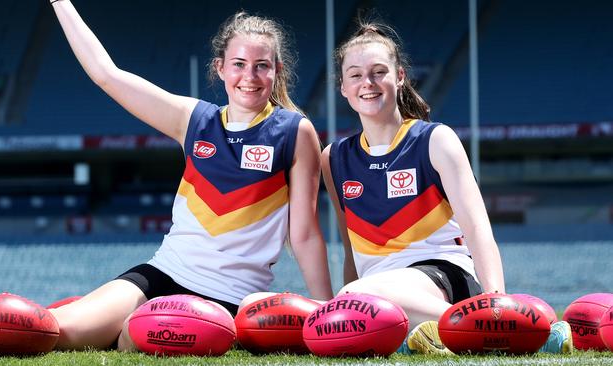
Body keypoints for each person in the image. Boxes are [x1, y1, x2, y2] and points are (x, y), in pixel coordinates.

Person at [47, 0, 333, 351]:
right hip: (162, 274)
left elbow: (304, 235)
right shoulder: (194, 119)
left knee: (131, 342)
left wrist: (326, 311)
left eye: (262, 66)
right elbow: (107, 74)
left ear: (277, 70)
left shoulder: (294, 131)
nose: (250, 77)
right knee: (56, 333)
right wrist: (59, 2)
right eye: (239, 65)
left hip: (229, 298)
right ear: (220, 68)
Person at [321, 20, 572, 355]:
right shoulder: (333, 158)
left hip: (443, 276)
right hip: (377, 291)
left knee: (353, 299)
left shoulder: (435, 139)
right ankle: (442, 333)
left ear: (400, 77)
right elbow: (351, 248)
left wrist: (494, 302)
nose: (368, 83)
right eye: (355, 75)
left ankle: (508, 328)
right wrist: (350, 297)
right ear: (343, 86)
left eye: (379, 72)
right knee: (350, 304)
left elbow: (477, 227)